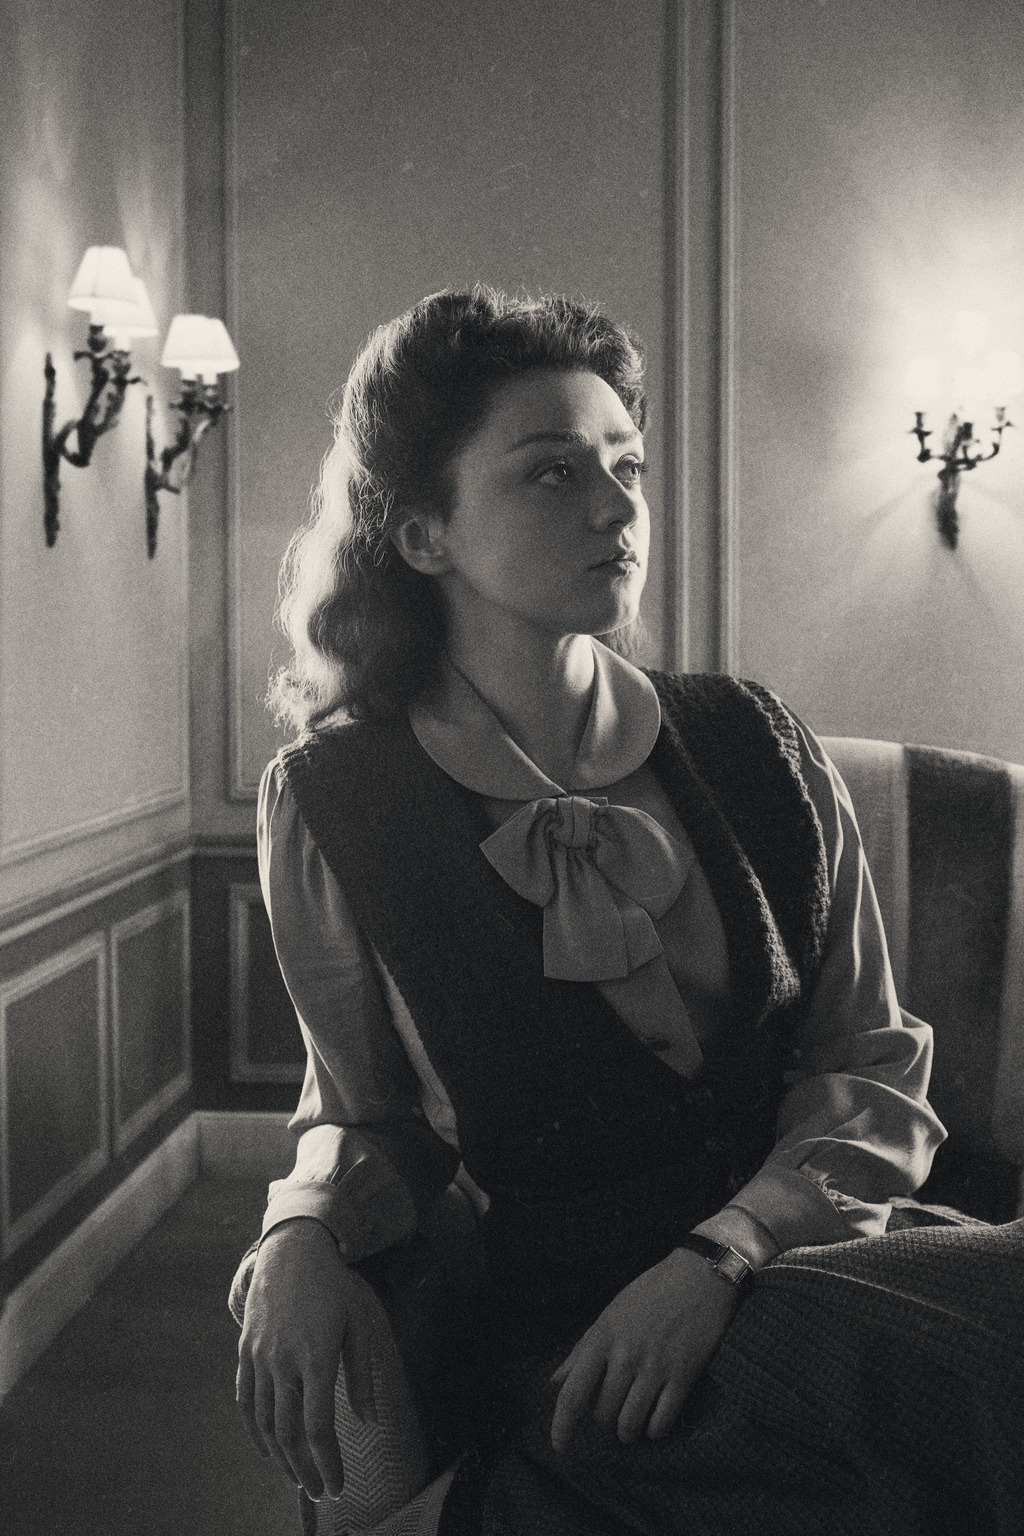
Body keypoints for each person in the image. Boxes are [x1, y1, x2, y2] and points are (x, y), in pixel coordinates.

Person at [234, 287, 1024, 1535]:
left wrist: (725, 1251)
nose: (618, 508)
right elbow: (366, 1114)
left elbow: (871, 1061)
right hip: (585, 1337)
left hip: (812, 1260)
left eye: (627, 464)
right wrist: (299, 1231)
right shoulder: (339, 801)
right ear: (424, 534)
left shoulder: (757, 743)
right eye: (552, 472)